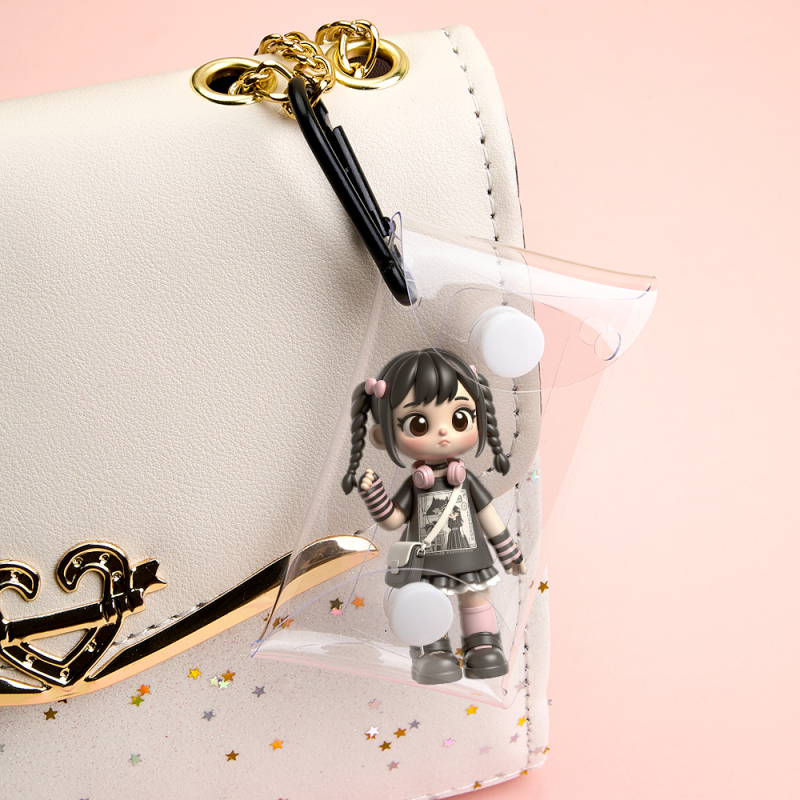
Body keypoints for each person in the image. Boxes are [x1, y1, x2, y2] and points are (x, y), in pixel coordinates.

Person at [342, 348, 526, 685]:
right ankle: (432, 650)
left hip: (469, 557)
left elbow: (488, 517)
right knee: (426, 604)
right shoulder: (416, 485)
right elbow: (392, 520)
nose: (443, 433)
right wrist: (375, 496)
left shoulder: (465, 481)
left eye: (460, 419)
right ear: (382, 436)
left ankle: (483, 645)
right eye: (419, 424)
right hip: (425, 563)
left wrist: (509, 552)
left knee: (475, 596)